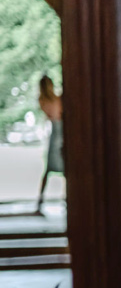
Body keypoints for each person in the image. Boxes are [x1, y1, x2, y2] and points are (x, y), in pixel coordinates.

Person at [34, 76, 63, 214]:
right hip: (61, 130)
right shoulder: (57, 98)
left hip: (55, 132)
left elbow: (48, 115)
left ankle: (40, 201)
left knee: (49, 169)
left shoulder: (43, 100)